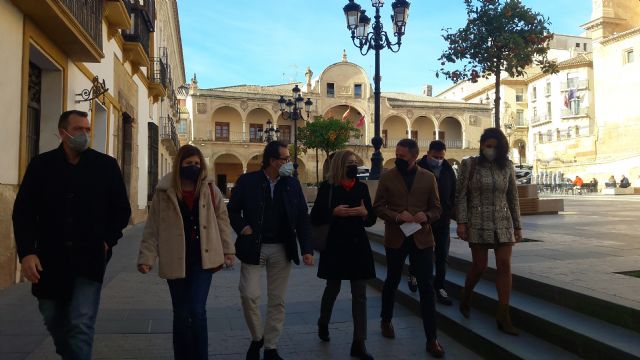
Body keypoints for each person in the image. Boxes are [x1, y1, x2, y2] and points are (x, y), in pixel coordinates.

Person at [12, 110, 131, 359]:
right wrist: (27, 252)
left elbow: (121, 210)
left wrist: (108, 240)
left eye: (88, 129)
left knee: (81, 324)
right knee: (53, 317)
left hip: (90, 259)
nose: (85, 134)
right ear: (63, 133)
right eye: (79, 129)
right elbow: (23, 212)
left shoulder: (105, 166)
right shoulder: (41, 166)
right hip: (49, 260)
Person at [137, 145, 235, 360]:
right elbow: (153, 226)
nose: (194, 167)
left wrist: (228, 250)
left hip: (204, 258)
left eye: (197, 164)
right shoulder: (165, 191)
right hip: (175, 258)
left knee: (197, 311)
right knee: (181, 314)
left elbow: (222, 220)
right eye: (189, 164)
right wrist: (147, 257)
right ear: (179, 164)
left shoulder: (210, 189)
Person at [227, 141, 314, 360]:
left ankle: (271, 347)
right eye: (285, 159)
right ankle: (258, 338)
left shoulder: (292, 184)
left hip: (282, 249)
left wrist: (307, 249)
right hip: (253, 247)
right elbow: (232, 210)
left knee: (277, 300)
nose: (288, 163)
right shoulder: (248, 181)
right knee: (249, 295)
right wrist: (242, 227)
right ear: (272, 161)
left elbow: (303, 217)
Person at [373, 139, 445, 358]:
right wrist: (396, 216)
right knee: (392, 280)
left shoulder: (428, 177)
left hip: (422, 239)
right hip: (396, 238)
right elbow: (377, 207)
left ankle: (431, 338)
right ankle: (386, 320)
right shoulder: (387, 177)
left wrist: (428, 216)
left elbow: (437, 208)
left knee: (426, 287)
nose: (398, 159)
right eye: (397, 154)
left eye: (402, 156)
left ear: (414, 157)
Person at [455, 128, 522, 336]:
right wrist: (462, 222)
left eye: (494, 146)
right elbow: (461, 195)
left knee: (504, 265)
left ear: (501, 148)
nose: (490, 150)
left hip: (503, 222)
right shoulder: (470, 164)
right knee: (480, 266)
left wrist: (518, 225)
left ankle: (503, 314)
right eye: (487, 145)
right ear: (482, 145)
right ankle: (466, 295)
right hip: (478, 221)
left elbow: (513, 196)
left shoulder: (508, 166)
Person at [311, 150, 377, 360]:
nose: (353, 166)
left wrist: (365, 214)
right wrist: (333, 212)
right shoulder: (328, 187)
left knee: (360, 294)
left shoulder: (361, 187)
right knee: (333, 287)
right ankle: (323, 321)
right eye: (349, 163)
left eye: (355, 162)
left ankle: (359, 342)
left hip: (358, 246)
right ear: (340, 164)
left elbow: (371, 218)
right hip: (335, 245)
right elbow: (315, 216)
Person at [410, 140, 457, 306]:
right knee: (421, 252)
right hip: (423, 220)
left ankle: (439, 287)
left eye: (441, 157)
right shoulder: (418, 168)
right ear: (428, 153)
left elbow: (453, 193)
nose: (438, 160)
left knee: (442, 254)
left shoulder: (447, 169)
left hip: (442, 220)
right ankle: (414, 274)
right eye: (435, 156)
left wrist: (452, 212)